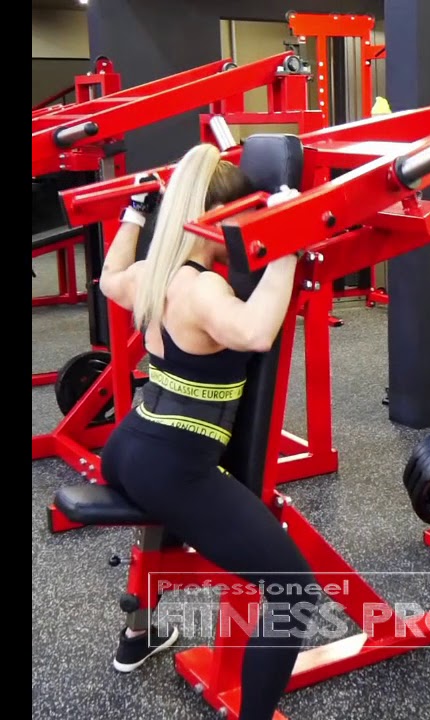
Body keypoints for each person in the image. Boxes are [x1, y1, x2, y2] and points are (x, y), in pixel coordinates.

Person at [95, 143, 316, 720]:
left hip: (127, 447)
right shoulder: (202, 288)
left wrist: (134, 212)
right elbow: (257, 331)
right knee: (293, 588)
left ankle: (137, 636)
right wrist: (288, 240)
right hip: (175, 467)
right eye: (242, 215)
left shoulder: (150, 273)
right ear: (216, 218)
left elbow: (107, 277)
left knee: (186, 519)